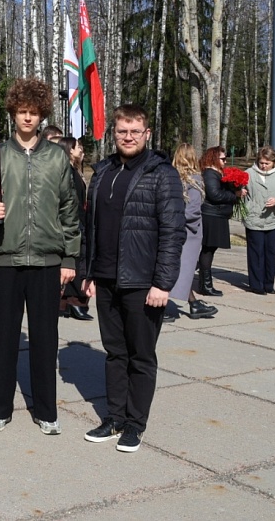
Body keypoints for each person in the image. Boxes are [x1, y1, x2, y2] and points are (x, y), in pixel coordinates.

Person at [0, 78, 80, 436]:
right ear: (13, 114)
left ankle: (46, 410)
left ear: (42, 115)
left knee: (45, 337)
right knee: (3, 338)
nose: (28, 119)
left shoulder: (56, 157)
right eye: (22, 112)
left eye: (34, 113)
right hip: (7, 258)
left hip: (47, 261)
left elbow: (69, 208)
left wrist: (70, 258)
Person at [82, 104, 184, 453]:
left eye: (134, 131)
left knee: (141, 355)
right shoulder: (103, 171)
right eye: (122, 131)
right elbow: (89, 227)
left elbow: (173, 232)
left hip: (143, 283)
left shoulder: (161, 173)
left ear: (146, 134)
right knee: (114, 352)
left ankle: (134, 424)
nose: (127, 137)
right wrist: (89, 271)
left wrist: (163, 283)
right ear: (114, 133)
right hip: (106, 277)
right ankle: (113, 417)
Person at [167, 143, 218, 320]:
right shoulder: (194, 179)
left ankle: (193, 303)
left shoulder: (171, 177)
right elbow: (193, 211)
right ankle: (169, 306)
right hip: (188, 232)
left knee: (179, 269)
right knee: (182, 268)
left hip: (172, 229)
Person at [243, 146, 275, 295]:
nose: (264, 166)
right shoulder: (249, 173)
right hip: (254, 219)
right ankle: (256, 284)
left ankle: (268, 284)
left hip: (273, 220)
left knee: (270, 253)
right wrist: (240, 191)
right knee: (255, 253)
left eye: (267, 163)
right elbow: (238, 190)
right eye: (261, 163)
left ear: (274, 162)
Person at [197, 146, 245, 296]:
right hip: (212, 216)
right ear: (213, 158)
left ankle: (204, 282)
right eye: (223, 159)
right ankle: (205, 285)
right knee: (208, 250)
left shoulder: (214, 173)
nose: (225, 161)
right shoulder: (211, 173)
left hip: (216, 215)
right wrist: (235, 194)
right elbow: (215, 195)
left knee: (209, 250)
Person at [54, 137, 93, 321]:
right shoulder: (66, 172)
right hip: (74, 223)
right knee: (76, 262)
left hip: (78, 221)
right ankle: (74, 302)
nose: (82, 151)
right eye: (79, 147)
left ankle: (66, 303)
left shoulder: (72, 170)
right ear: (69, 150)